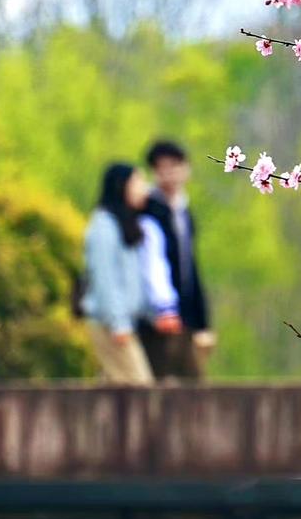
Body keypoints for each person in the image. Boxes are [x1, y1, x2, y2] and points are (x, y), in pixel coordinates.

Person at [81, 161, 182, 384]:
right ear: (121, 186)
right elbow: (105, 280)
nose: (143, 188)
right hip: (110, 325)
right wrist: (119, 323)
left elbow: (134, 282)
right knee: (138, 384)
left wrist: (154, 316)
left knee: (114, 391)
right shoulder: (103, 227)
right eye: (137, 182)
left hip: (123, 322)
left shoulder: (125, 225)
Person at [143, 139, 214, 379]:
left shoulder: (184, 212)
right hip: (156, 318)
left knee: (193, 384)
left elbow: (191, 270)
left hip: (185, 317)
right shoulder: (148, 210)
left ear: (185, 169)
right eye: (161, 168)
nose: (168, 174)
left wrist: (203, 324)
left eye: (173, 166)